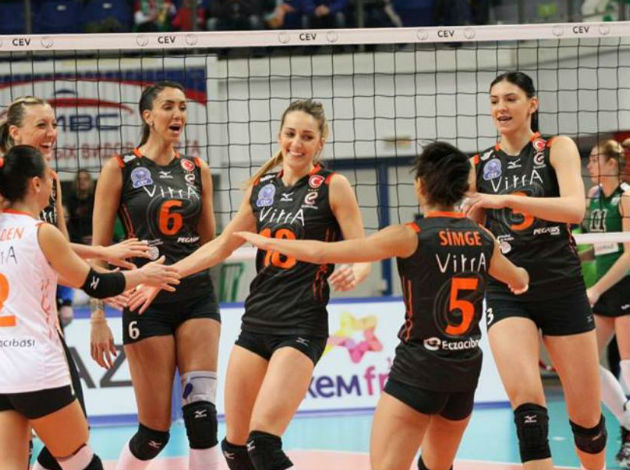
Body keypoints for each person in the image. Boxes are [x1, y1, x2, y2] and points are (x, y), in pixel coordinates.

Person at [235, 141, 529, 470]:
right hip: (464, 373)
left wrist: (268, 241)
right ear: (464, 188)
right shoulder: (484, 239)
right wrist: (521, 273)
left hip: (419, 369)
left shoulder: (409, 235)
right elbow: (518, 279)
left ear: (420, 186)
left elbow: (323, 252)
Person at [130, 98, 371, 470]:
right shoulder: (262, 188)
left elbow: (362, 249)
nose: (297, 143)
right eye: (290, 134)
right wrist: (165, 276)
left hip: (301, 325)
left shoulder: (333, 186)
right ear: (279, 136)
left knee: (263, 445)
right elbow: (221, 245)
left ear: (320, 143)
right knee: (235, 448)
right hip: (256, 323)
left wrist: (357, 270)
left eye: (307, 137)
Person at [0, 145, 180, 470]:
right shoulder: (41, 232)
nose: (53, 187)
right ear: (36, 184)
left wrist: (102, 253)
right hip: (37, 369)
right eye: (49, 179)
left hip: (3, 370)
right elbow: (96, 284)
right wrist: (143, 275)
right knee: (83, 463)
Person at [465, 71, 605, 470]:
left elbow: (574, 209)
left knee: (587, 421)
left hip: (562, 285)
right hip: (508, 290)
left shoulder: (556, 148)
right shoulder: (479, 165)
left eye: (510, 99)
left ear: (532, 104)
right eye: (494, 101)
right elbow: (473, 233)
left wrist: (507, 200)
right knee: (527, 410)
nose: (501, 108)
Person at [89, 80, 222, 470]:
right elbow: (99, 252)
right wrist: (98, 315)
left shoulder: (197, 169)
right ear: (147, 116)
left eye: (182, 107)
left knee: (202, 419)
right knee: (154, 435)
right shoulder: (120, 169)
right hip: (145, 303)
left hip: (196, 296)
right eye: (168, 107)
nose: (178, 114)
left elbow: (210, 244)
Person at [583, 138, 630, 467]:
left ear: (612, 163)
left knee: (628, 364)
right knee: (586, 363)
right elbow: (595, 247)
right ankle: (628, 422)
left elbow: (628, 254)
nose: (589, 165)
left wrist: (597, 288)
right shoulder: (593, 197)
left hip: (624, 286)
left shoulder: (625, 199)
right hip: (601, 289)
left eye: (595, 160)